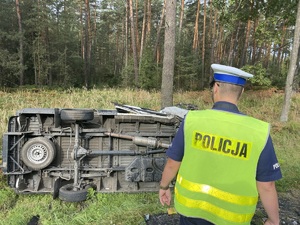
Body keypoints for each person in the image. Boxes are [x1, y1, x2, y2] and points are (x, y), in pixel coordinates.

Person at [159, 64, 282, 225]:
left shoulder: (192, 120)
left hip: (192, 210)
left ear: (216, 87)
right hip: (232, 218)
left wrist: (163, 187)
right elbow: (267, 185)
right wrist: (274, 220)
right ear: (242, 92)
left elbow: (172, 163)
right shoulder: (259, 131)